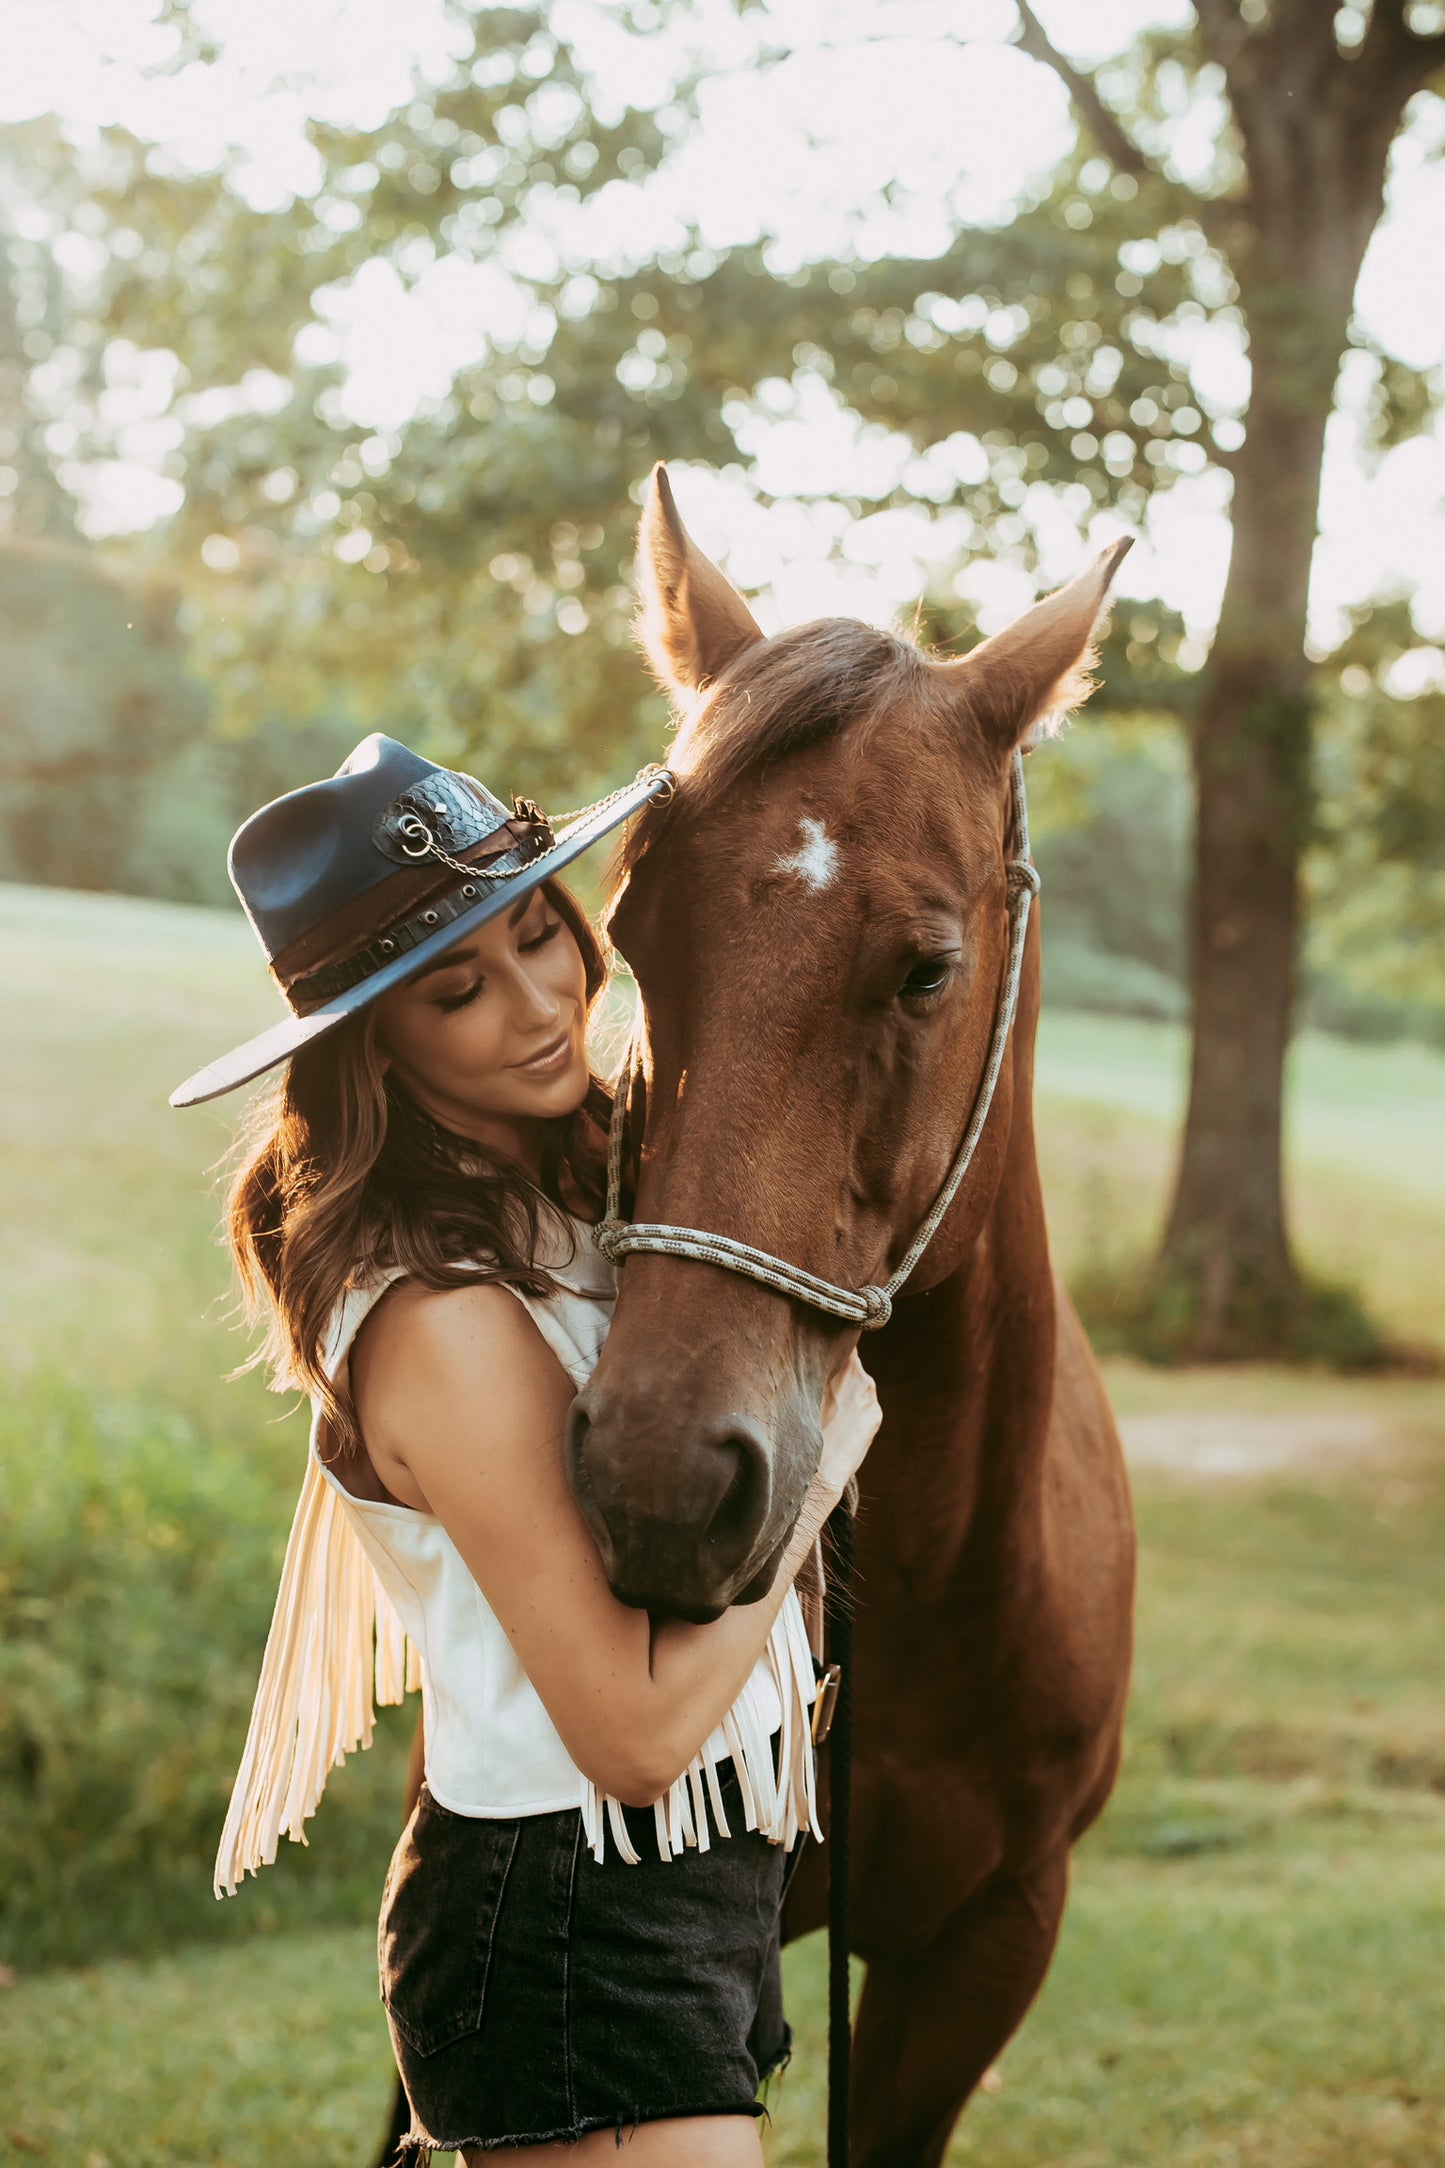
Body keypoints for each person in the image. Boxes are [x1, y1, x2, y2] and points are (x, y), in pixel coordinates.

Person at [171, 732, 880, 2165]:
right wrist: (812, 1460)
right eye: (457, 990)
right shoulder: (436, 1318)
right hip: (569, 1915)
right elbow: (626, 1735)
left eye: (535, 936)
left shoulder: (594, 1198)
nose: (538, 1003)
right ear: (377, 1041)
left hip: (693, 1895)